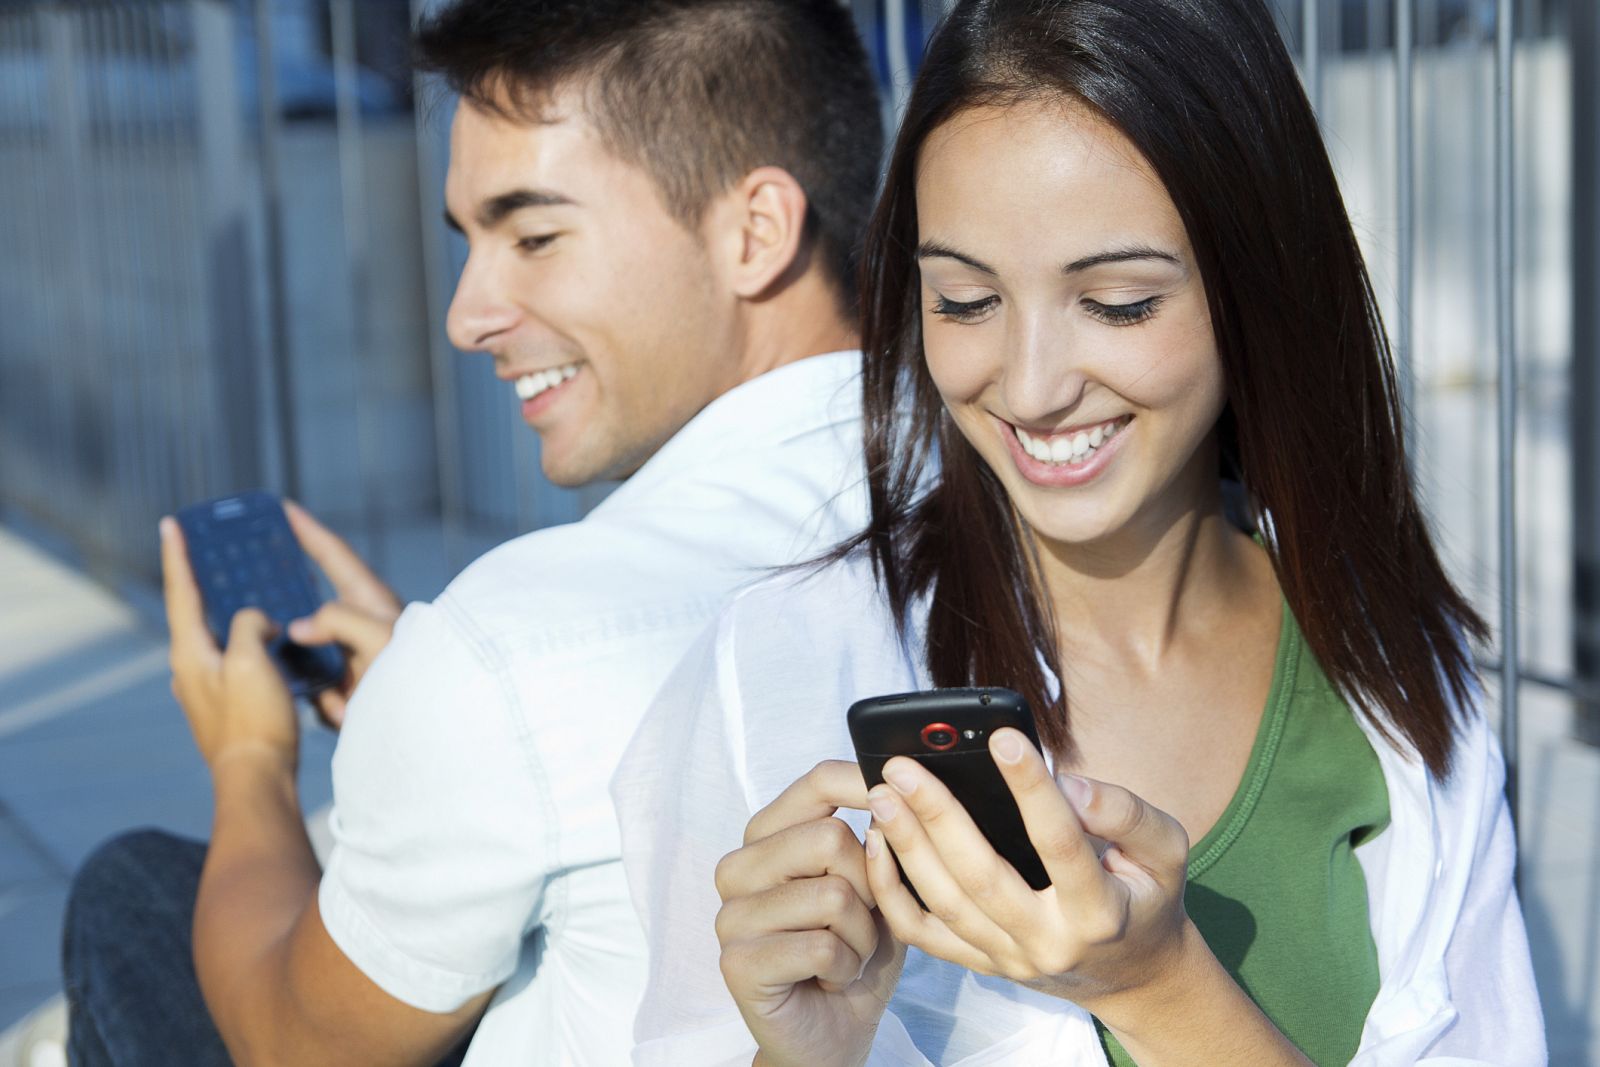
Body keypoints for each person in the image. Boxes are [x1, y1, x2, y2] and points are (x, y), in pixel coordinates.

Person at [612, 0, 1545, 1063]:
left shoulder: (1402, 682)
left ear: (1258, 286)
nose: (1030, 385)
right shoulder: (776, 668)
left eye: (1116, 303)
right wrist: (801, 1055)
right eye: (964, 300)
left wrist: (1157, 985)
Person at [59, 1, 882, 1064]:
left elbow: (296, 1042)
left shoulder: (513, 642)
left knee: (137, 889)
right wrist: (429, 699)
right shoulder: (1021, 487)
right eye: (472, 242)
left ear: (755, 230)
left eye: (533, 235)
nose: (467, 313)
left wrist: (251, 756)